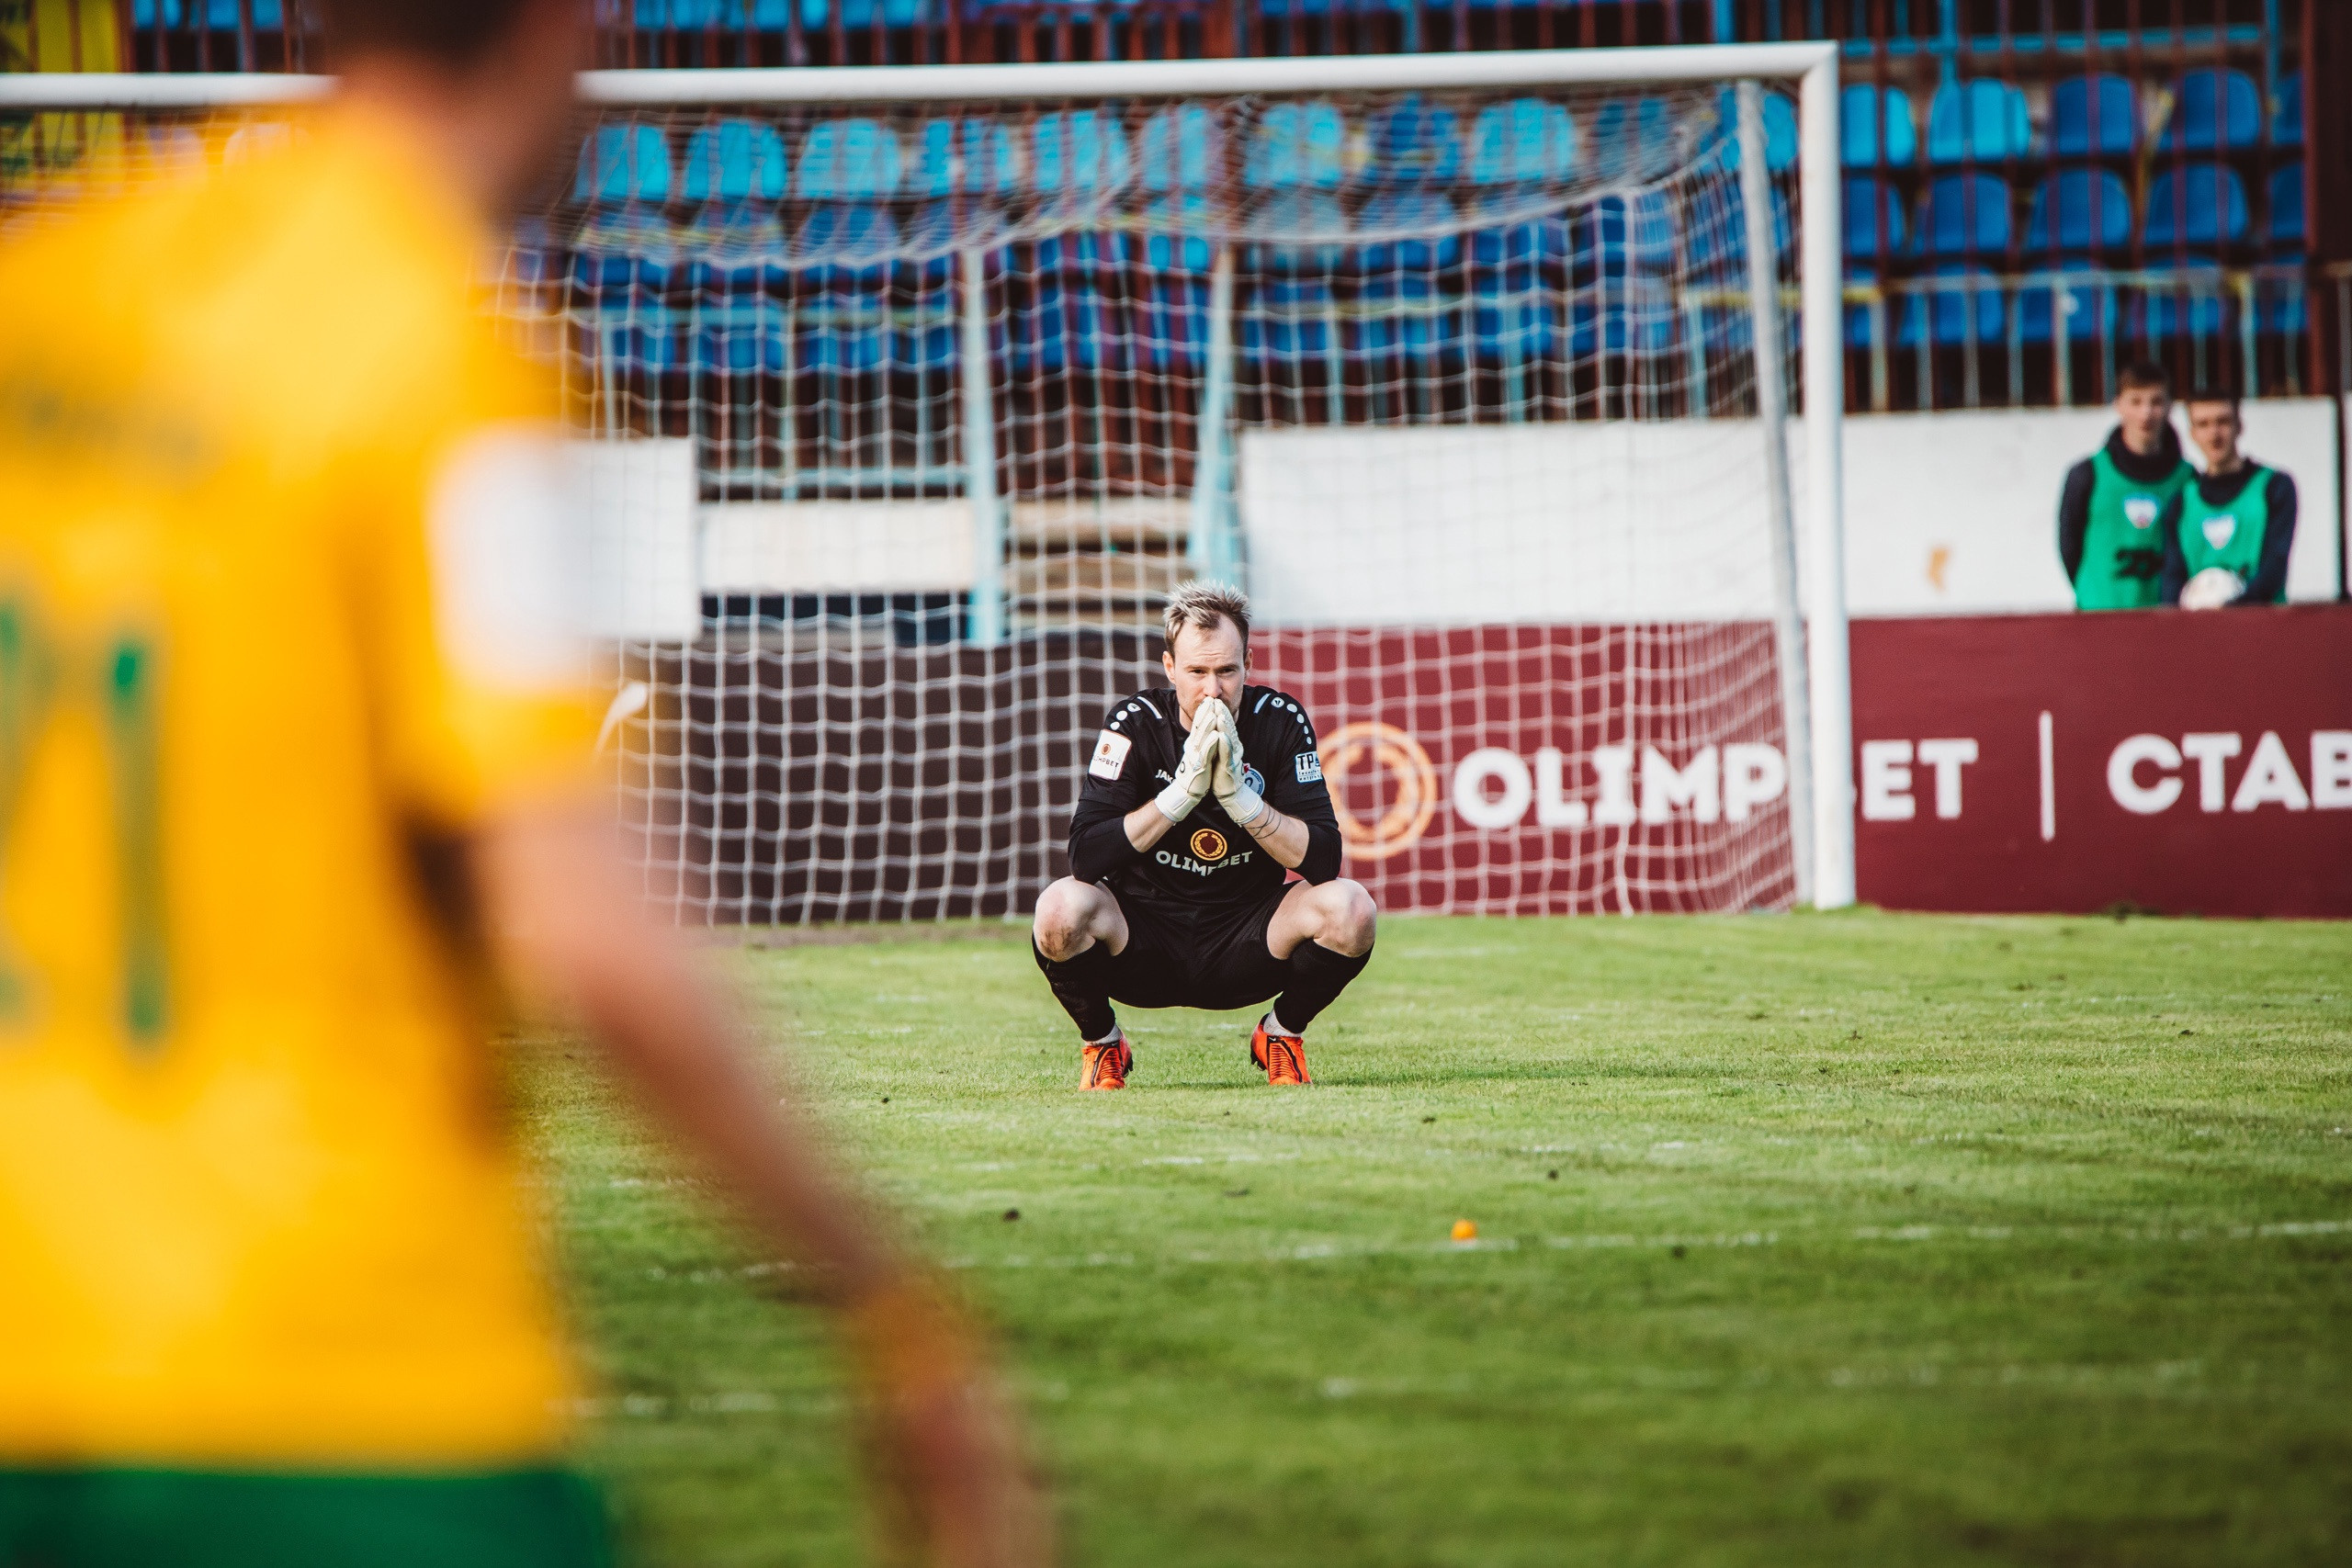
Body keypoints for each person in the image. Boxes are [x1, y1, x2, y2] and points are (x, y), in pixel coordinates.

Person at [0, 4, 1047, 1565]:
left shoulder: (55, 286)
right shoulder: (437, 357)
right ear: (564, 29)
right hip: (332, 1365)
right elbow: (595, 946)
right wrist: (887, 1297)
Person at [1032, 583, 1377, 1090]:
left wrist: (1243, 802)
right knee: (1059, 908)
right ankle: (1103, 1043)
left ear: (1249, 664)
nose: (1212, 691)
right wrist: (1179, 797)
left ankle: (1281, 1034)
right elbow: (1085, 857)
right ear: (1170, 667)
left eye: (1227, 671)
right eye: (1197, 672)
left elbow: (1325, 860)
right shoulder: (1134, 723)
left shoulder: (1280, 720)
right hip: (1144, 938)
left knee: (1352, 908)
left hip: (1247, 934)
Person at [2056, 361, 2196, 610]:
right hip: (2098, 616)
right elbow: (2069, 547)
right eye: (2136, 401)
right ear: (2118, 405)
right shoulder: (2087, 475)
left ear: (2170, 407)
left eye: (2156, 402)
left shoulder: (2188, 478)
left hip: (2165, 619)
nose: (2146, 413)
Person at [2158, 389, 2299, 609]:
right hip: (2200, 626)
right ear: (2192, 433)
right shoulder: (2181, 502)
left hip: (2261, 622)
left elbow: (2274, 565)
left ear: (2239, 426)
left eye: (2222, 422)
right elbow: (2172, 580)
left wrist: (2229, 612)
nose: (2214, 434)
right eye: (2203, 424)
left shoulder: (2273, 487)